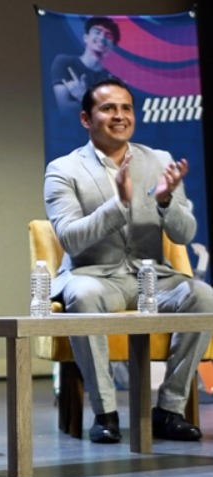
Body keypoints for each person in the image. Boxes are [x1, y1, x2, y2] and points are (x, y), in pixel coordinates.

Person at [44, 77, 213, 444]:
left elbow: (184, 234)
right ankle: (105, 413)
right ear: (87, 119)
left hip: (150, 276)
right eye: (108, 108)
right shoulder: (63, 169)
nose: (119, 116)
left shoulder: (160, 161)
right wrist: (118, 204)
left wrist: (167, 203)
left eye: (126, 108)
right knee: (84, 295)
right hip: (94, 274)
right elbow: (70, 237)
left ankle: (168, 410)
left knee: (203, 296)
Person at [51, 16, 120, 113]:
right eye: (97, 32)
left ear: (113, 46)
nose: (102, 37)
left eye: (108, 35)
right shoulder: (64, 62)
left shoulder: (113, 80)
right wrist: (98, 106)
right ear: (85, 38)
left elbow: (109, 115)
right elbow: (64, 108)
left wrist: (82, 96)